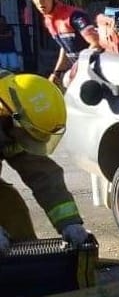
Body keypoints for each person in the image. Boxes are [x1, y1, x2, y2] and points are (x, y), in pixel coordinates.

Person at [0, 70, 91, 254]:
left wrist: (70, 224)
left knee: (12, 210)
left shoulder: (15, 101)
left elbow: (42, 174)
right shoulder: (11, 110)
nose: (26, 141)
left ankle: (21, 267)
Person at [18, 0, 100, 88]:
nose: (39, 2)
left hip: (96, 70)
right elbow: (65, 47)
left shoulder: (74, 16)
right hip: (80, 71)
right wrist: (56, 73)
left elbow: (96, 43)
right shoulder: (48, 20)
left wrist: (78, 68)